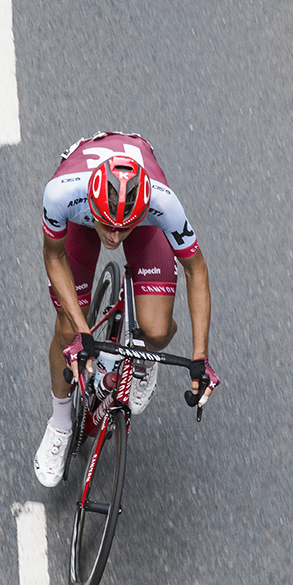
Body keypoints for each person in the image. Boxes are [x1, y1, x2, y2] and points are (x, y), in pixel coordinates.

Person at [34, 131, 219, 487]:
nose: (115, 238)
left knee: (157, 330)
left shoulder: (163, 204)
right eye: (109, 226)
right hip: (81, 221)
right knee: (67, 330)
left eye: (124, 229)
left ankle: (142, 355)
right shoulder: (62, 194)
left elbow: (197, 269)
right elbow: (53, 256)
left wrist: (201, 356)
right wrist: (82, 329)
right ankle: (59, 422)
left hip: (141, 222)